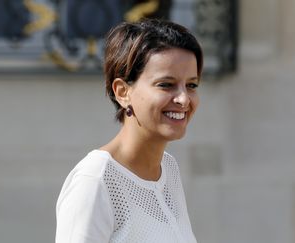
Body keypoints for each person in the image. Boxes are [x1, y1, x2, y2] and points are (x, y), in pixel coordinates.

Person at [56, 18, 203, 243]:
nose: (184, 99)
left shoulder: (168, 169)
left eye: (191, 85)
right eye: (166, 84)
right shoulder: (96, 181)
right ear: (123, 92)